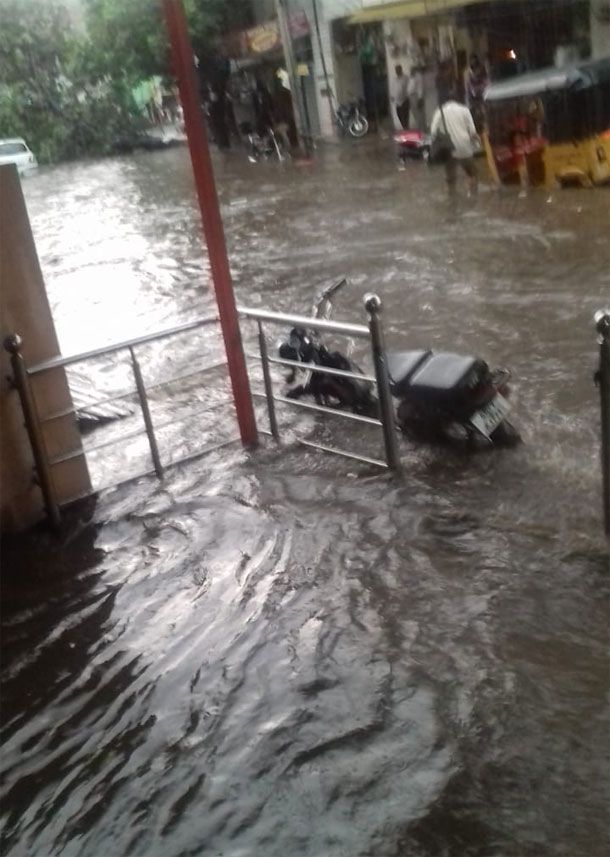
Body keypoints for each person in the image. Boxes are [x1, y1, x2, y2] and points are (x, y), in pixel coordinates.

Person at [430, 92, 480, 193]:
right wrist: (479, 142)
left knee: (450, 176)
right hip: (464, 146)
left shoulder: (440, 111)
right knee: (472, 173)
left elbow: (433, 132)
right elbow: (473, 133)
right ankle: (473, 196)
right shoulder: (464, 110)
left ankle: (452, 199)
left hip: (448, 148)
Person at [464, 54, 488, 132]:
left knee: (481, 114)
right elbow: (468, 85)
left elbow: (485, 81)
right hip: (471, 98)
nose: (472, 62)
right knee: (472, 114)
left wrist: (480, 88)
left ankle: (483, 128)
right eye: (471, 61)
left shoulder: (481, 69)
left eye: (474, 60)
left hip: (480, 95)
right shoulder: (468, 71)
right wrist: (473, 90)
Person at [392, 64, 410, 129]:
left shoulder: (406, 78)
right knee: (399, 115)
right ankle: (404, 128)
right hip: (397, 101)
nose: (397, 71)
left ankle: (406, 129)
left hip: (404, 100)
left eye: (398, 69)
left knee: (405, 116)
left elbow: (408, 88)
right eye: (396, 70)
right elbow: (393, 89)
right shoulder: (395, 79)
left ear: (401, 69)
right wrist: (392, 96)